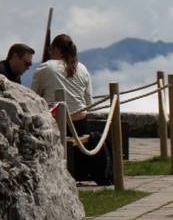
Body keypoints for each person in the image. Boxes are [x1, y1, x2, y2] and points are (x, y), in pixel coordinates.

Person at [31, 33, 112, 186]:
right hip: (81, 123)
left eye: (51, 49)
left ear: (56, 49)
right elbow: (89, 101)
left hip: (54, 123)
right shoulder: (82, 68)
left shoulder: (46, 67)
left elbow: (33, 97)